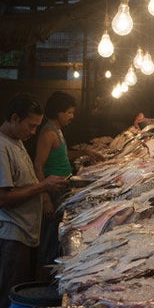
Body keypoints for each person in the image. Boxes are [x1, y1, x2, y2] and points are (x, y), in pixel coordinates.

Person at [0, 93, 68, 308]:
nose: (33, 132)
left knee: (20, 297)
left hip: (24, 234)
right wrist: (42, 188)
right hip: (9, 236)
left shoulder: (15, 141)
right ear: (13, 118)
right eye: (30, 125)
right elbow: (0, 198)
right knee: (7, 299)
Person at [33, 91, 102, 278]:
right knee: (49, 238)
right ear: (58, 112)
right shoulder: (48, 133)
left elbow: (60, 157)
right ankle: (44, 278)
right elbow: (38, 165)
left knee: (57, 235)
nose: (72, 116)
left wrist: (85, 153)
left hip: (62, 189)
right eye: (69, 112)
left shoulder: (58, 131)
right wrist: (45, 197)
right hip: (52, 192)